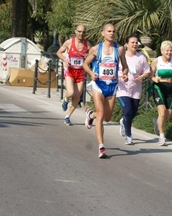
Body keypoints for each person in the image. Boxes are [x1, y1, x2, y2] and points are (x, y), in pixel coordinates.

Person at [82, 23, 129, 158]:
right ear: (103, 33)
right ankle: (101, 147)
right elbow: (85, 64)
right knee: (101, 113)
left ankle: (91, 115)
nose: (111, 33)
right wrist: (91, 73)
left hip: (112, 86)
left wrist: (125, 74)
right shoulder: (96, 49)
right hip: (99, 85)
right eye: (109, 31)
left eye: (113, 31)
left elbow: (125, 66)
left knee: (107, 118)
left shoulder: (119, 49)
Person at [117, 34, 151, 145]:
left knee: (133, 112)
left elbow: (147, 71)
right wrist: (120, 77)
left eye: (136, 42)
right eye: (132, 42)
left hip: (136, 89)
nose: (135, 44)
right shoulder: (121, 57)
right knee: (128, 111)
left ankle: (123, 122)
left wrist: (142, 76)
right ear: (126, 44)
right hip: (122, 89)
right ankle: (129, 135)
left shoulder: (141, 57)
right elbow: (114, 71)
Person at [56, 25, 91, 126]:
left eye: (83, 32)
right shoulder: (69, 42)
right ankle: (66, 100)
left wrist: (87, 56)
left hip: (80, 72)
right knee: (71, 92)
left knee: (77, 96)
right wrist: (65, 59)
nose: (81, 34)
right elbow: (58, 52)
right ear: (75, 32)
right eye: (79, 31)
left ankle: (67, 117)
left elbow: (93, 55)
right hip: (70, 71)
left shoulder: (87, 44)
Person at [151, 40, 172, 146]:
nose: (169, 53)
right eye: (167, 51)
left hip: (171, 88)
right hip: (159, 88)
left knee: (168, 117)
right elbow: (150, 75)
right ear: (162, 51)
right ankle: (161, 136)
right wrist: (154, 79)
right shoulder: (156, 61)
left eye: (171, 51)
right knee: (163, 112)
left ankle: (157, 122)